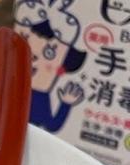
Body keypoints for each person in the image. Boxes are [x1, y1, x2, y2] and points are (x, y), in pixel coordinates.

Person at [15, 0, 87, 133]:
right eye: (25, 40)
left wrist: (66, 103)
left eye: (49, 53)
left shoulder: (40, 98)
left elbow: (52, 126)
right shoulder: (11, 86)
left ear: (61, 69)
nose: (33, 57)